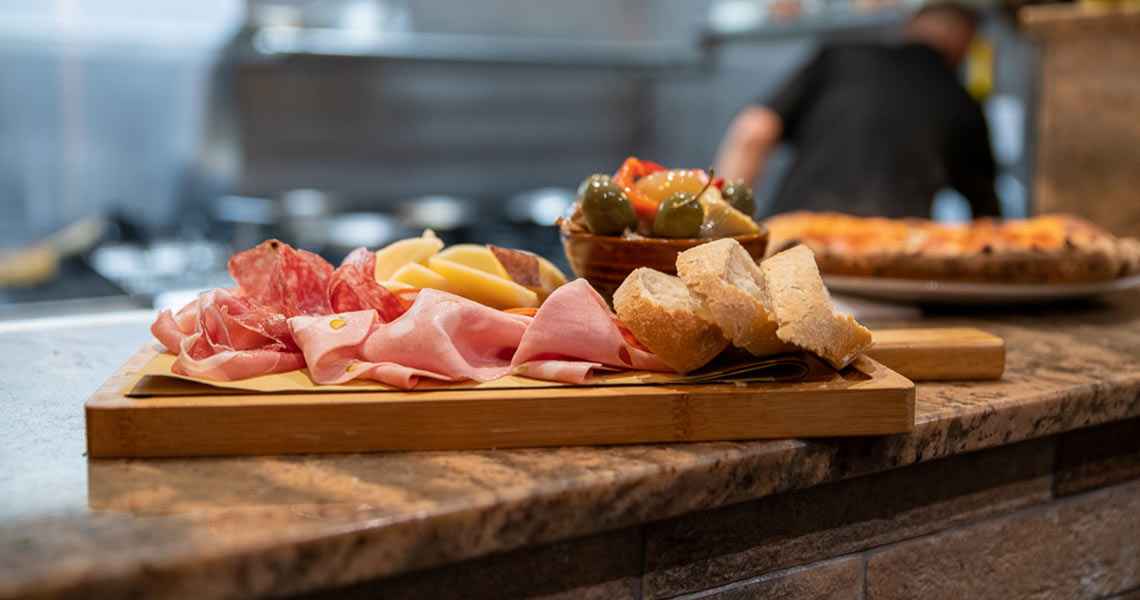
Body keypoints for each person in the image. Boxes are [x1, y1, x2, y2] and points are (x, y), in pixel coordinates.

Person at [714, 2, 1001, 219]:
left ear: (910, 27)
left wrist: (722, 224)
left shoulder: (842, 56)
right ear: (964, 43)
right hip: (894, 258)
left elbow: (754, 131)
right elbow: (987, 217)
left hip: (795, 238)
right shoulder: (965, 104)